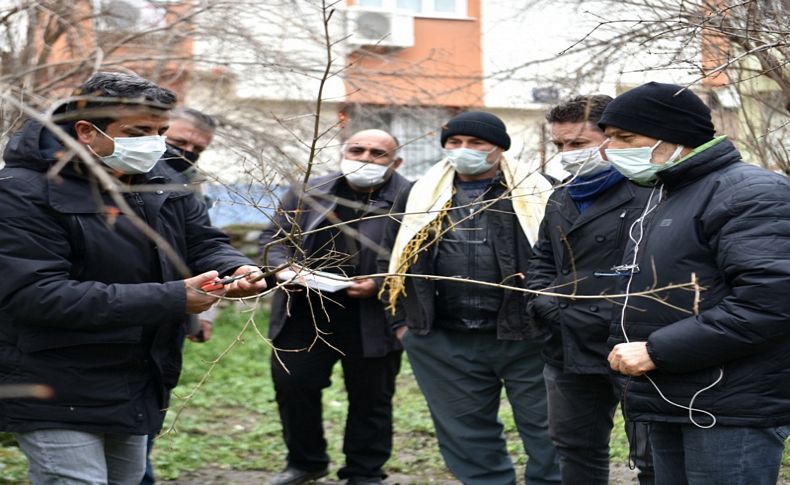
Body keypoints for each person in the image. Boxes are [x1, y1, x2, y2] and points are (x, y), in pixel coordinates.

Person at [0, 72, 267, 484]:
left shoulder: (164, 182)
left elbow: (202, 241)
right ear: (87, 130)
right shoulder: (21, 192)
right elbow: (36, 294)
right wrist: (173, 299)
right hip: (53, 379)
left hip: (137, 376)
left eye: (161, 131)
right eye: (139, 131)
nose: (155, 144)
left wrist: (234, 268)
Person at [601, 81, 790, 484]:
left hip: (730, 405)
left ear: (676, 137)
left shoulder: (751, 194)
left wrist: (657, 349)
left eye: (626, 137)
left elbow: (770, 302)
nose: (610, 149)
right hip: (676, 391)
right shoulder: (670, 193)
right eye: (610, 137)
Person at [379, 111, 561, 485]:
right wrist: (402, 324)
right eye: (455, 143)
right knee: (466, 438)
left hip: (531, 337)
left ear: (500, 148)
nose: (464, 151)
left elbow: (570, 258)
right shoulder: (415, 194)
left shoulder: (541, 189)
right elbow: (391, 259)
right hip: (444, 339)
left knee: (552, 433)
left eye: (477, 143)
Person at [259, 129, 411, 485]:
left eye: (378, 153)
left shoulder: (411, 199)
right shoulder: (308, 191)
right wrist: (283, 267)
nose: (365, 158)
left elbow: (421, 257)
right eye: (356, 150)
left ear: (396, 162)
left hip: (372, 315)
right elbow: (273, 239)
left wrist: (380, 284)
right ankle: (305, 462)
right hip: (304, 308)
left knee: (371, 397)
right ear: (343, 152)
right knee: (293, 384)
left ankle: (364, 471)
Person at [527, 95, 654, 484]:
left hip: (639, 344)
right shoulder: (563, 195)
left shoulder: (654, 191)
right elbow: (542, 261)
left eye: (578, 144)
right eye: (560, 145)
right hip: (568, 342)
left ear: (611, 137)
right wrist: (544, 302)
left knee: (653, 453)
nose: (567, 154)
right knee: (576, 448)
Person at [140, 106, 221, 485]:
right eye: (177, 142)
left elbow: (198, 248)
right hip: (117, 306)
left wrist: (204, 315)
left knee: (151, 396)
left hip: (169, 312)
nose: (185, 152)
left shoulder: (190, 182)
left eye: (195, 148)